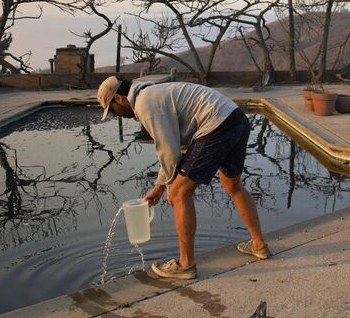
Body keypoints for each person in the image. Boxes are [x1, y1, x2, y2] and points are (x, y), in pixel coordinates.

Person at [98, 76, 270, 279]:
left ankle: (185, 264)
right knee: (232, 184)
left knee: (179, 194)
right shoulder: (153, 93)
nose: (116, 116)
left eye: (112, 110)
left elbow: (168, 153)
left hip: (216, 123)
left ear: (118, 98)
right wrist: (160, 185)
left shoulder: (145, 103)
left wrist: (168, 187)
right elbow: (177, 147)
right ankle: (258, 245)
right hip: (235, 119)